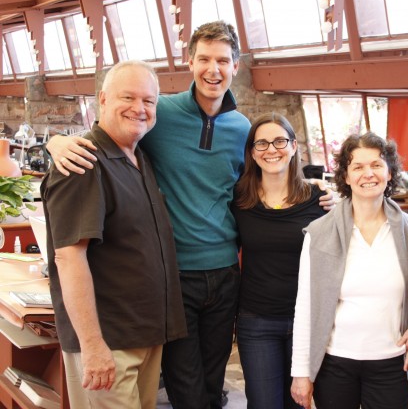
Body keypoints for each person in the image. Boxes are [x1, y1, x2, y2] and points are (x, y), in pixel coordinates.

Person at [45, 21, 334, 409]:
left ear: (236, 66)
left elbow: (261, 182)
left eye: (222, 60)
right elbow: (113, 127)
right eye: (204, 59)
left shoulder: (241, 128)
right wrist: (58, 142)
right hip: (174, 276)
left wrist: (315, 193)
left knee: (213, 383)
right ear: (190, 62)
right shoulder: (158, 111)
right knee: (185, 384)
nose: (213, 69)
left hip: (225, 273)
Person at [40, 60, 187, 408]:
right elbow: (68, 257)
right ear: (102, 100)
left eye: (148, 101)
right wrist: (92, 346)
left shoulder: (138, 157)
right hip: (108, 344)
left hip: (145, 336)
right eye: (128, 97)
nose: (139, 108)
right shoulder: (83, 162)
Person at [290, 133, 408, 409]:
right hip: (335, 363)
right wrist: (301, 373)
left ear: (390, 173)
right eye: (358, 166)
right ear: (346, 176)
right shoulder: (319, 233)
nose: (369, 174)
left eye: (377, 165)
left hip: (392, 362)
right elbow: (305, 308)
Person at [232, 113, 327, 409]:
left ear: (294, 146)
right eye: (261, 143)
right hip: (257, 320)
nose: (271, 149)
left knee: (299, 404)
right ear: (251, 152)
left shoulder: (318, 198)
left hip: (307, 322)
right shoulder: (239, 199)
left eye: (279, 141)